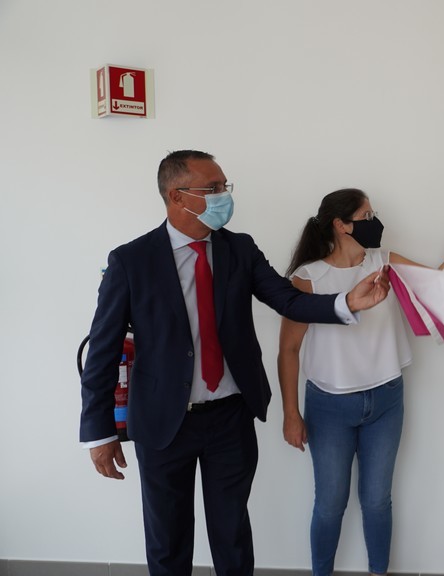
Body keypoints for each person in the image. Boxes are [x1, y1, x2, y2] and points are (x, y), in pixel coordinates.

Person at [79, 150, 390, 576]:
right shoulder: (131, 261)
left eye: (225, 186)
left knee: (233, 537)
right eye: (213, 188)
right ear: (177, 196)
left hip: (230, 419)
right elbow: (102, 349)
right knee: (168, 541)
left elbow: (287, 300)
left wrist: (346, 302)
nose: (224, 195)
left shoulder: (239, 249)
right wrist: (98, 432)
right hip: (163, 422)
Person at [278, 188, 444, 576]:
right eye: (367, 216)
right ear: (341, 225)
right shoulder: (308, 278)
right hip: (329, 406)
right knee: (330, 504)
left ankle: (379, 572)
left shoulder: (385, 262)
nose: (375, 222)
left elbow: (437, 284)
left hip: (386, 399)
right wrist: (291, 413)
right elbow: (288, 350)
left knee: (377, 500)